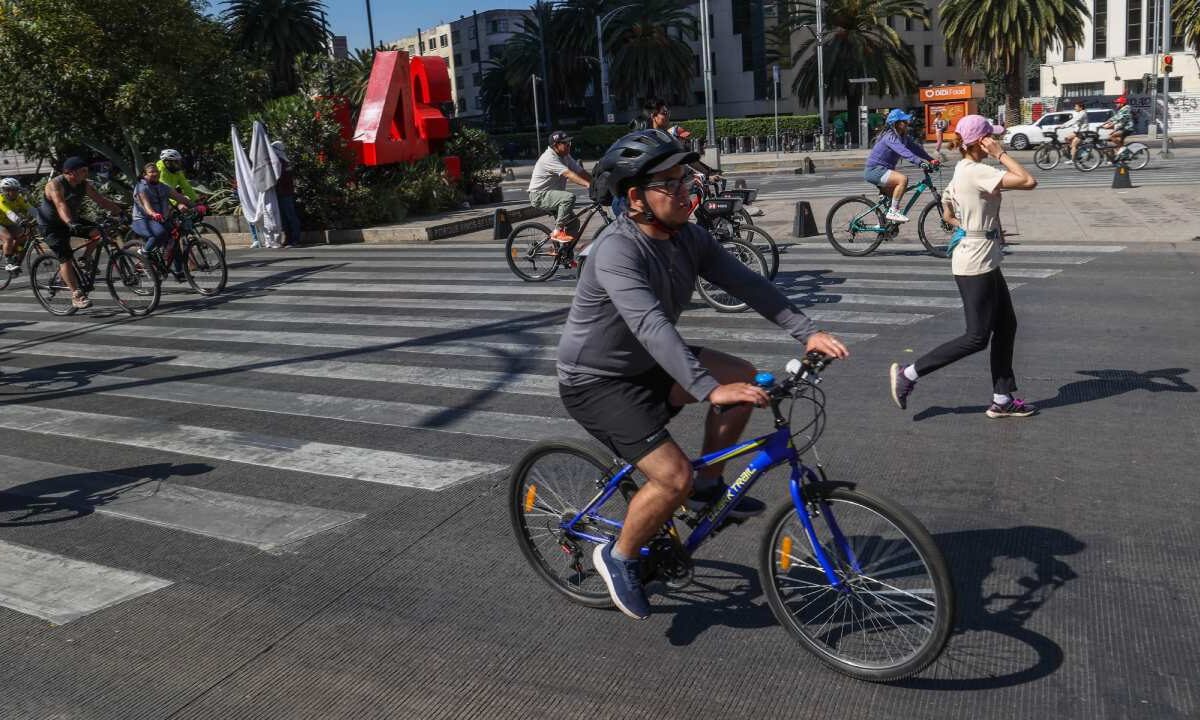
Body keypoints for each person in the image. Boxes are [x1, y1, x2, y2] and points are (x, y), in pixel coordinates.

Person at [560, 129, 850, 620]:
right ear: (635, 198)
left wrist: (806, 332)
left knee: (745, 379)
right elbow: (650, 325)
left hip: (648, 363)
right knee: (670, 476)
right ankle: (619, 555)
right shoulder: (616, 251)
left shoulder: (687, 237)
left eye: (685, 179)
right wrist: (707, 389)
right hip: (598, 380)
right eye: (669, 183)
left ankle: (708, 488)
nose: (685, 190)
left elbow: (747, 283)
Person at [889, 115, 1038, 419]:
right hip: (976, 263)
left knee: (1007, 326)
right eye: (990, 137)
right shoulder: (978, 170)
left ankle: (1002, 398)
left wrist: (975, 226)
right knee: (977, 337)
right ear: (980, 142)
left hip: (984, 255)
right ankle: (910, 374)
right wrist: (1001, 154)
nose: (995, 140)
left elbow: (946, 209)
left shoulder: (962, 169)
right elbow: (1028, 181)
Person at [36, 156, 124, 309]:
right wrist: (70, 223)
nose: (86, 173)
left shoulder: (83, 184)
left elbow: (101, 200)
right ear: (70, 173)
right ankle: (76, 294)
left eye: (86, 170)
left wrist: (120, 212)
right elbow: (60, 204)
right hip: (51, 225)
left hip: (72, 220)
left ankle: (85, 259)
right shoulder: (55, 185)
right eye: (83, 171)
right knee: (66, 258)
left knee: (99, 232)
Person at [863, 109, 939, 223]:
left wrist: (930, 159)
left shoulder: (902, 137)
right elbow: (904, 151)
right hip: (875, 171)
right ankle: (893, 211)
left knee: (892, 197)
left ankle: (885, 227)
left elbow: (915, 148)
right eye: (904, 121)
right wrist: (920, 162)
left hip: (884, 170)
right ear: (896, 123)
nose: (907, 123)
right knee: (902, 180)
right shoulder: (890, 137)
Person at [132, 162, 194, 281]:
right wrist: (153, 213)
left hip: (161, 219)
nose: (155, 174)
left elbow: (179, 197)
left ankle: (179, 272)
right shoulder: (141, 187)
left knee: (175, 237)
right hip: (143, 220)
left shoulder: (162, 186)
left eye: (157, 172)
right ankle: (143, 252)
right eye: (151, 172)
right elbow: (146, 205)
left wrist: (195, 206)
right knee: (159, 233)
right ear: (144, 175)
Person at [527, 130, 591, 243]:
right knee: (568, 197)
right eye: (566, 143)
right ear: (556, 145)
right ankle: (557, 232)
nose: (569, 146)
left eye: (569, 143)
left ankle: (562, 254)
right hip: (539, 195)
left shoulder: (565, 156)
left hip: (553, 196)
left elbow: (580, 171)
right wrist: (588, 185)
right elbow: (569, 174)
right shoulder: (549, 158)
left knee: (573, 223)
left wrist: (596, 182)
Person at [0, 177, 37, 272]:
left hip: (9, 223)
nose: (16, 192)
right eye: (13, 190)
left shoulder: (18, 198)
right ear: (5, 191)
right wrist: (20, 221)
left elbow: (31, 209)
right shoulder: (1, 200)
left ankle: (13, 254)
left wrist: (42, 217)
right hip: (1, 223)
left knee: (25, 236)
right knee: (8, 238)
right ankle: (9, 263)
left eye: (17, 189)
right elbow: (9, 213)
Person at [271, 141, 302, 248]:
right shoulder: (282, 162)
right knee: (284, 218)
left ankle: (295, 239)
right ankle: (288, 239)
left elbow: (282, 179)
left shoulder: (282, 162)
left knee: (290, 216)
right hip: (281, 193)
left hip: (285, 193)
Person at [1100, 96, 1134, 161]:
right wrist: (1104, 123)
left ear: (1122, 103)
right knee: (1118, 142)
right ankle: (1122, 156)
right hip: (1122, 128)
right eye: (1116, 103)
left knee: (1111, 136)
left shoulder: (1125, 110)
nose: (1116, 104)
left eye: (1118, 103)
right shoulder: (1121, 110)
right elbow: (1114, 118)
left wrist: (1109, 126)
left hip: (1127, 128)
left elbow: (1118, 119)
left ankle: (1123, 148)